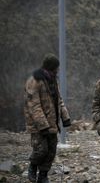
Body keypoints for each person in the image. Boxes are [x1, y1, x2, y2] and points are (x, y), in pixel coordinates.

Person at [24, 54, 71, 183]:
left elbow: (58, 100)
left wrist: (65, 117)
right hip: (37, 125)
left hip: (52, 122)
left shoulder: (53, 80)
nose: (57, 70)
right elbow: (34, 106)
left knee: (51, 151)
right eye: (56, 68)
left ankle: (43, 176)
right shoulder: (34, 81)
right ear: (51, 68)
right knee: (41, 150)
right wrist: (43, 125)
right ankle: (32, 167)